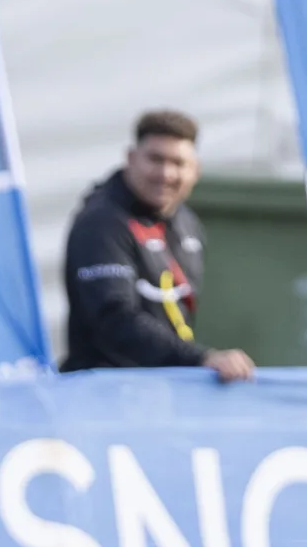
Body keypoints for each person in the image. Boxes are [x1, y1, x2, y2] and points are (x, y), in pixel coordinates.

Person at [61, 109, 254, 383]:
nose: (165, 173)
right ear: (131, 159)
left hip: (162, 393)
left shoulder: (186, 223)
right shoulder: (101, 223)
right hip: (103, 397)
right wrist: (200, 358)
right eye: (155, 159)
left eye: (178, 162)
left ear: (195, 170)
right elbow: (113, 320)